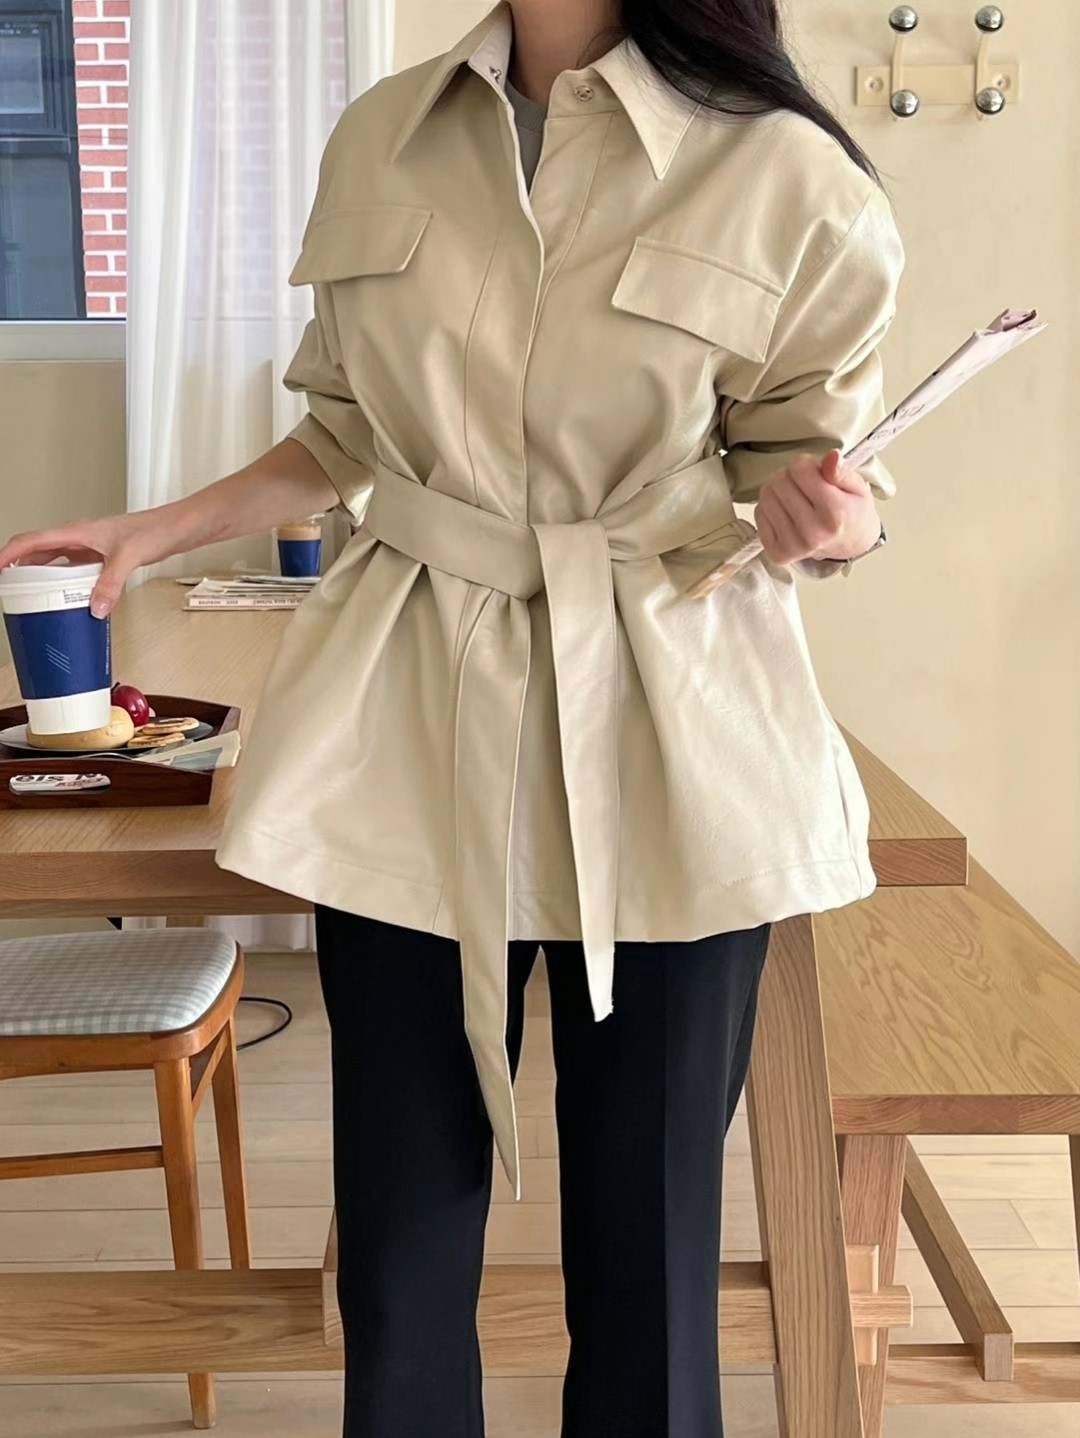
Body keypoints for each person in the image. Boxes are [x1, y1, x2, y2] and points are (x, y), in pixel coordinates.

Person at [0, 1, 905, 1433]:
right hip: (408, 730)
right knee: (401, 1246)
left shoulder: (784, 168)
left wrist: (836, 523)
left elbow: (816, 462)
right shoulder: (385, 133)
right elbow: (344, 433)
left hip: (672, 736)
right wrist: (150, 531)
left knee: (655, 1251)